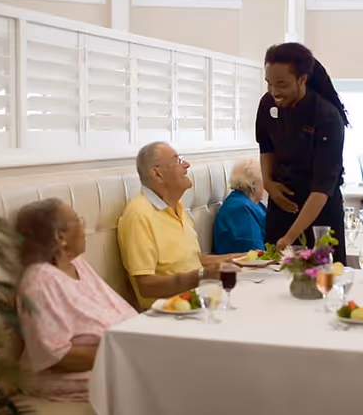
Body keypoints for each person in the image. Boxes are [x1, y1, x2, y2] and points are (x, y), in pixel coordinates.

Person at [15, 198, 138, 402]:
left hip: (120, 355)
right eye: (78, 220)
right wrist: (125, 353)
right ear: (60, 236)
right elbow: (57, 355)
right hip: (75, 375)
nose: (83, 226)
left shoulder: (77, 264)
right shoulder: (39, 282)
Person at [256, 42, 348, 264]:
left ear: (302, 79)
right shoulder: (268, 104)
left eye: (282, 84)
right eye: (269, 83)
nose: (274, 92)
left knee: (322, 280)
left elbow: (322, 188)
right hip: (281, 204)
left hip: (320, 212)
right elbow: (266, 147)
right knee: (274, 280)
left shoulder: (326, 116)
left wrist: (289, 236)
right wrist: (268, 183)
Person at [117, 142, 240, 309]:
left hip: (199, 301)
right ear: (157, 174)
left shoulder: (178, 207)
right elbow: (146, 286)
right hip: (169, 313)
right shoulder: (139, 215)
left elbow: (192, 260)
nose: (186, 165)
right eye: (178, 160)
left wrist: (239, 258)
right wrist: (202, 275)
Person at [212, 158, 267, 254]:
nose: (266, 186)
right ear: (253, 183)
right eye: (263, 180)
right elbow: (254, 250)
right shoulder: (240, 208)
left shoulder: (252, 204)